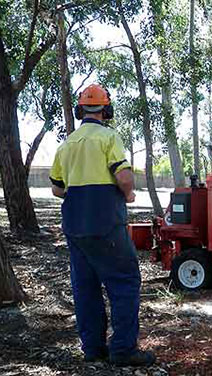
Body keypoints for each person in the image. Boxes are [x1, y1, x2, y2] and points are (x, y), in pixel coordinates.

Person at [49, 84, 155, 367]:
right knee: (124, 281)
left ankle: (93, 348)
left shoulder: (67, 144)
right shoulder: (109, 137)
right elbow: (123, 177)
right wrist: (130, 194)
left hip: (74, 224)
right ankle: (122, 349)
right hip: (105, 222)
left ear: (80, 109)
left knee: (85, 286)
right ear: (106, 110)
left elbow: (57, 190)